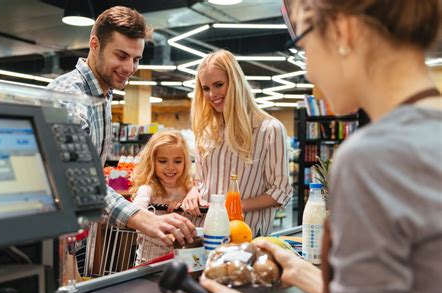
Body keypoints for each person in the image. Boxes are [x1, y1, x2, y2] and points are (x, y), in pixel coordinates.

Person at [185, 0, 442, 293]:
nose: (308, 71)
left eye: (303, 44)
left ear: (342, 30)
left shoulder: (371, 158)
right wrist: (306, 273)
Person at [47, 6, 195, 246]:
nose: (129, 68)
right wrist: (141, 218)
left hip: (72, 235)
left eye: (136, 59)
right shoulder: (70, 102)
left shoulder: (102, 94)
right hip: (49, 237)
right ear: (94, 44)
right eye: (121, 56)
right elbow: (77, 183)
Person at [182, 49, 293, 236]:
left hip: (244, 234)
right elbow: (201, 179)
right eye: (206, 88)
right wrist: (192, 192)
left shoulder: (269, 129)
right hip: (204, 229)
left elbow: (281, 191)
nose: (212, 94)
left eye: (219, 85)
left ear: (235, 83)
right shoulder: (207, 130)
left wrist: (234, 206)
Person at [131, 131, 194, 264]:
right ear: (152, 161)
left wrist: (185, 204)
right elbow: (135, 210)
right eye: (162, 161)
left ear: (185, 161)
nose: (170, 167)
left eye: (177, 161)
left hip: (183, 263)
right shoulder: (148, 189)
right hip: (148, 264)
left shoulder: (189, 189)